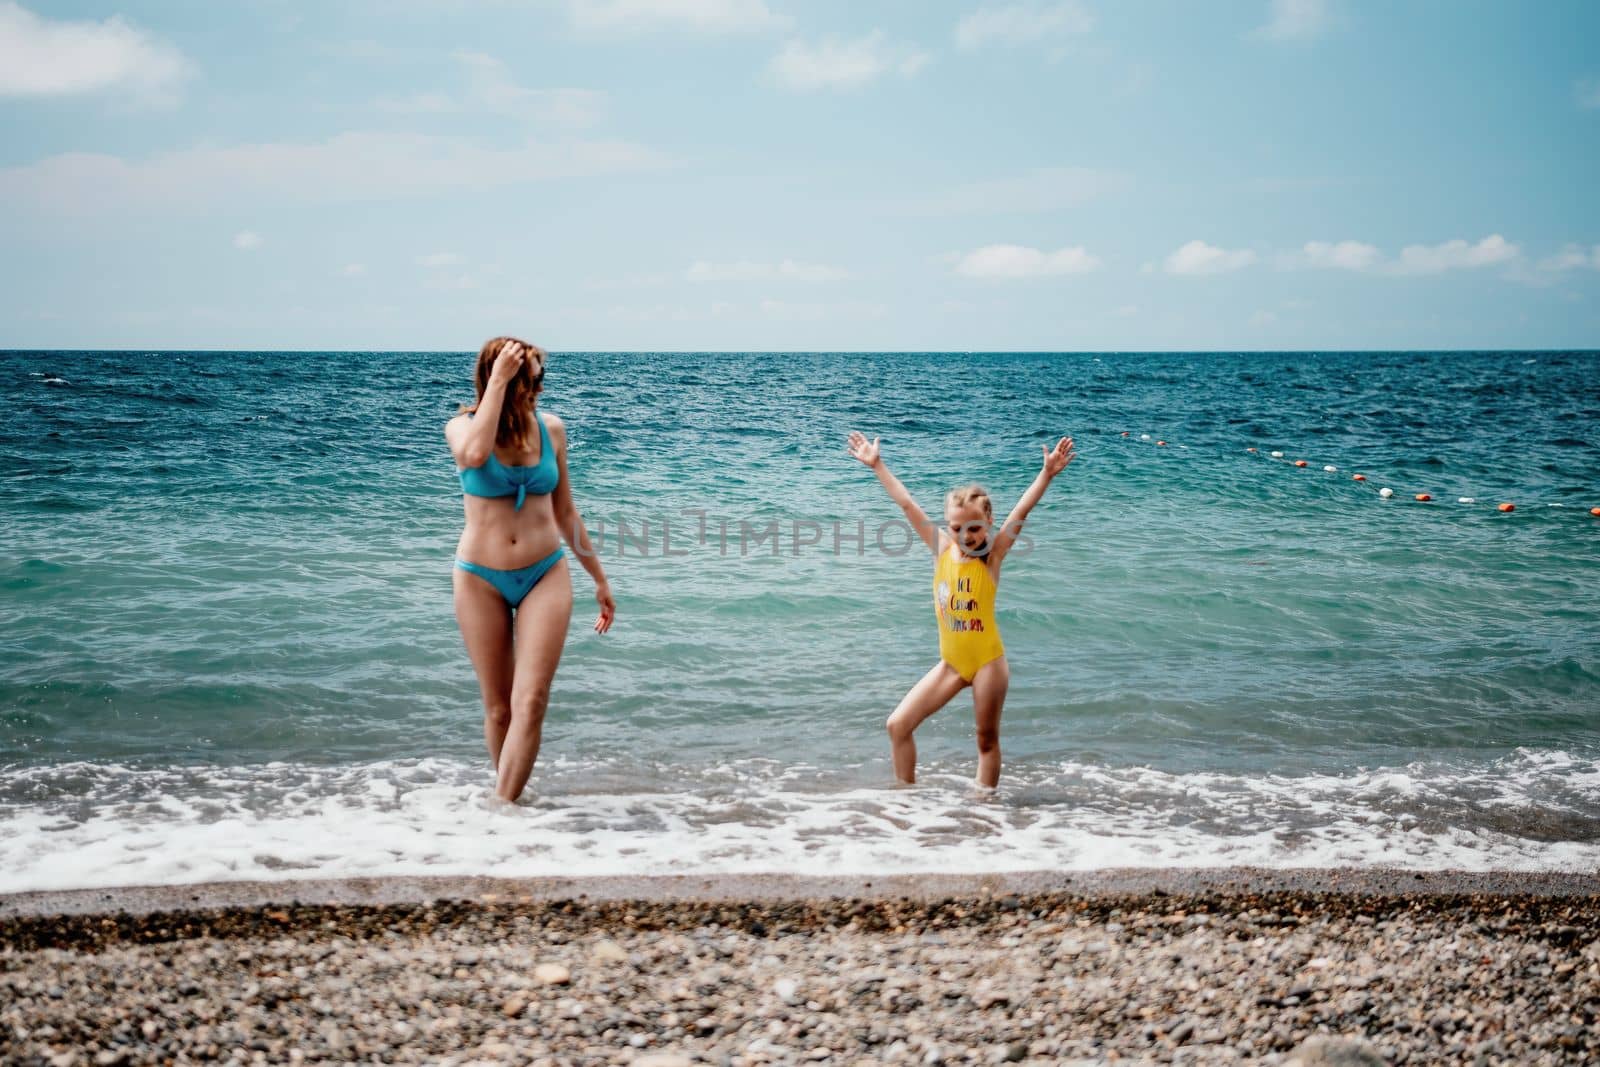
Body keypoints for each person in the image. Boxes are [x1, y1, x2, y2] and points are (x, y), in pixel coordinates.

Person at [846, 430, 1075, 788]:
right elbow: (907, 504)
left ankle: (984, 812)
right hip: (951, 664)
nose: (965, 535)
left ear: (987, 525)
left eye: (974, 528)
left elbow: (1022, 510)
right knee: (898, 725)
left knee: (986, 740)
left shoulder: (992, 558)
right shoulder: (940, 548)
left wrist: (1046, 474)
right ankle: (905, 797)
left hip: (988, 664)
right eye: (957, 527)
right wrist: (877, 465)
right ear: (947, 525)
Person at [446, 337, 615, 802]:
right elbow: (474, 457)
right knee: (499, 710)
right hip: (480, 578)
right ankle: (508, 812)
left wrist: (598, 578)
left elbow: (566, 513)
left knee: (532, 702)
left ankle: (503, 815)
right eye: (528, 378)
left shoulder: (552, 430)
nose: (536, 389)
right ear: (499, 377)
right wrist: (498, 384)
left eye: (539, 378)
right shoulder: (462, 429)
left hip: (546, 572)